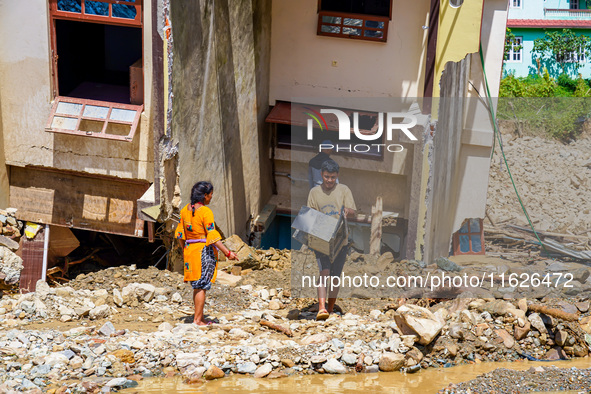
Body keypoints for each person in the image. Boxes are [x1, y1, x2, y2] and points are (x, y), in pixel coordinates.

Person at [175, 181, 238, 326]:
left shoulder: (185, 210)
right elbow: (213, 236)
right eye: (210, 195)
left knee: (197, 285)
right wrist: (228, 253)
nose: (211, 198)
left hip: (190, 251)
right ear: (204, 196)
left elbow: (180, 235)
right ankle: (198, 320)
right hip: (203, 251)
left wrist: (186, 250)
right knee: (202, 285)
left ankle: (199, 317)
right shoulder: (206, 212)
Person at [307, 159, 356, 320]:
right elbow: (309, 216)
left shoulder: (344, 190)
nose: (329, 180)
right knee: (324, 272)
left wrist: (347, 211)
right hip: (321, 239)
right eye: (327, 177)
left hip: (341, 240)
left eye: (333, 177)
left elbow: (353, 211)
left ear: (337, 176)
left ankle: (331, 308)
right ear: (322, 175)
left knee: (335, 276)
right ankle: (322, 308)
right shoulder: (314, 192)